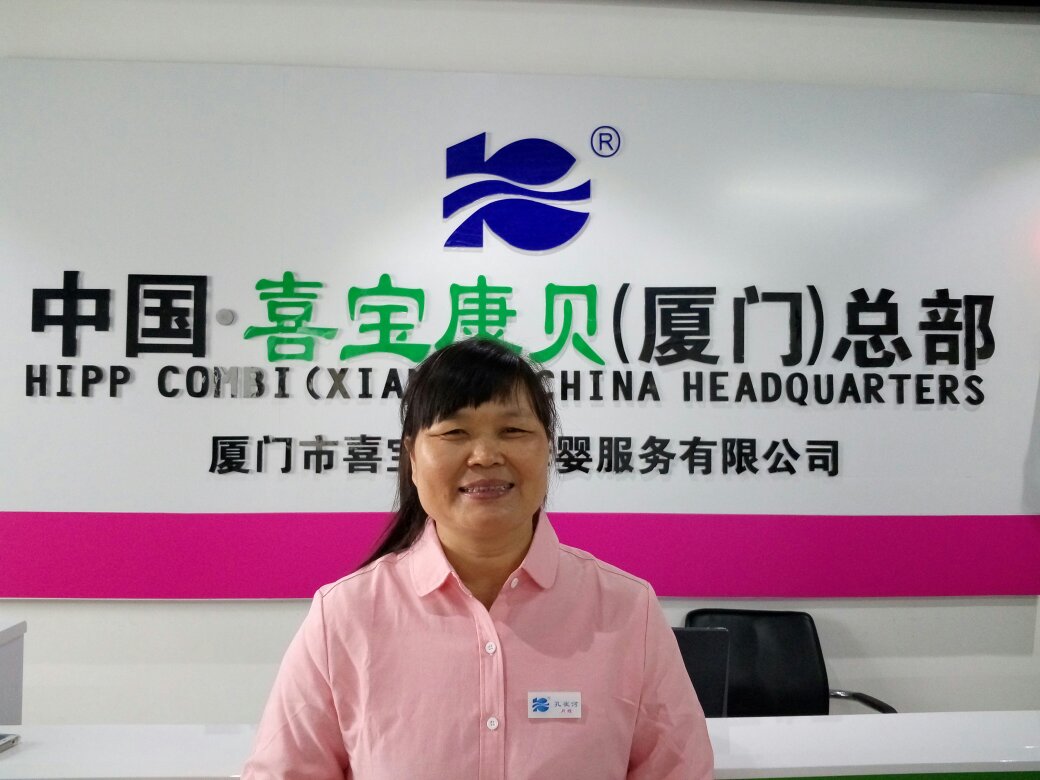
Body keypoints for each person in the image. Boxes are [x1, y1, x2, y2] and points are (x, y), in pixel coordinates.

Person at [243, 338, 714, 779]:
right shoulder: (345, 615)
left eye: (513, 430)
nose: (485, 456)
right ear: (412, 457)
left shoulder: (627, 610)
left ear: (549, 449)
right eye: (454, 432)